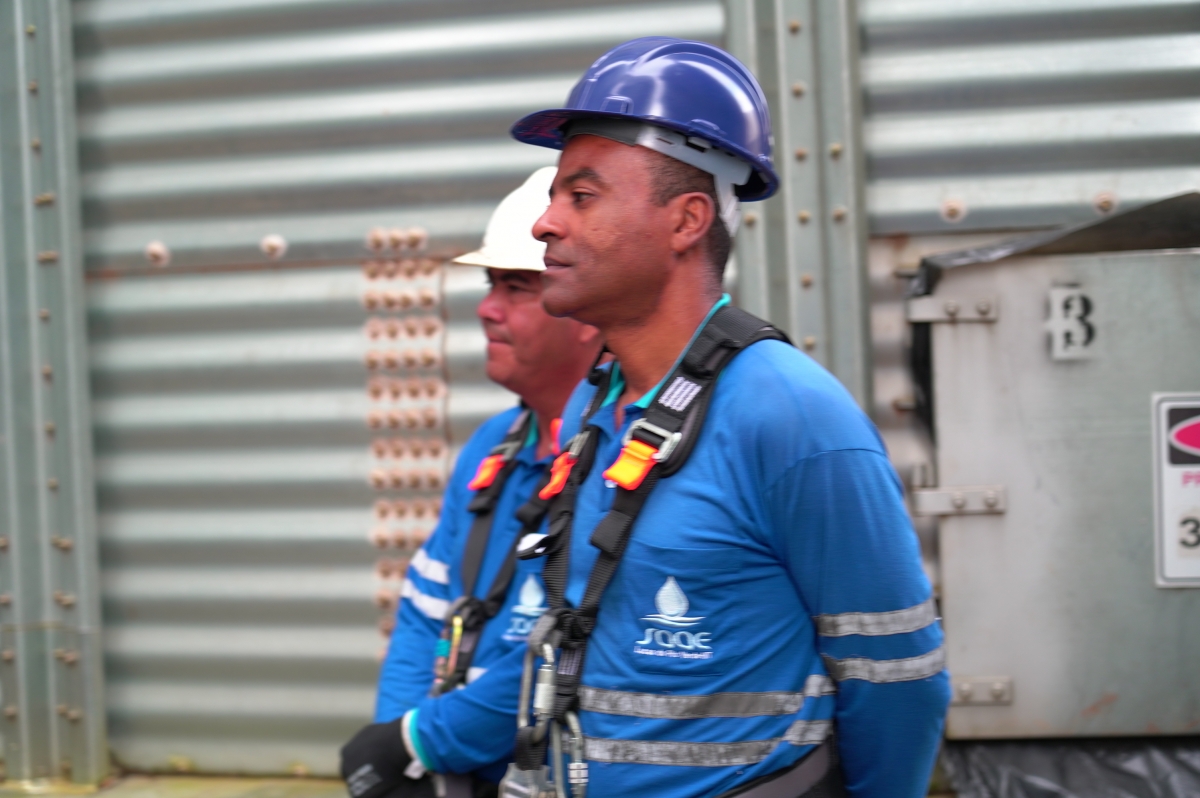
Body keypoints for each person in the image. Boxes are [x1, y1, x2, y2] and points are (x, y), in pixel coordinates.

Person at [499, 38, 951, 798]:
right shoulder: (596, 402)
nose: (545, 224)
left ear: (687, 220)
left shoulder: (793, 416)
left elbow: (900, 683)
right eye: (554, 198)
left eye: (581, 196)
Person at [340, 167, 604, 798]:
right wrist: (400, 746)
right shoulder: (492, 448)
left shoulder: (624, 456)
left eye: (516, 286)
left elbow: (578, 649)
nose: (487, 309)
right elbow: (424, 611)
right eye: (491, 285)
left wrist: (420, 741)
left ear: (586, 312)